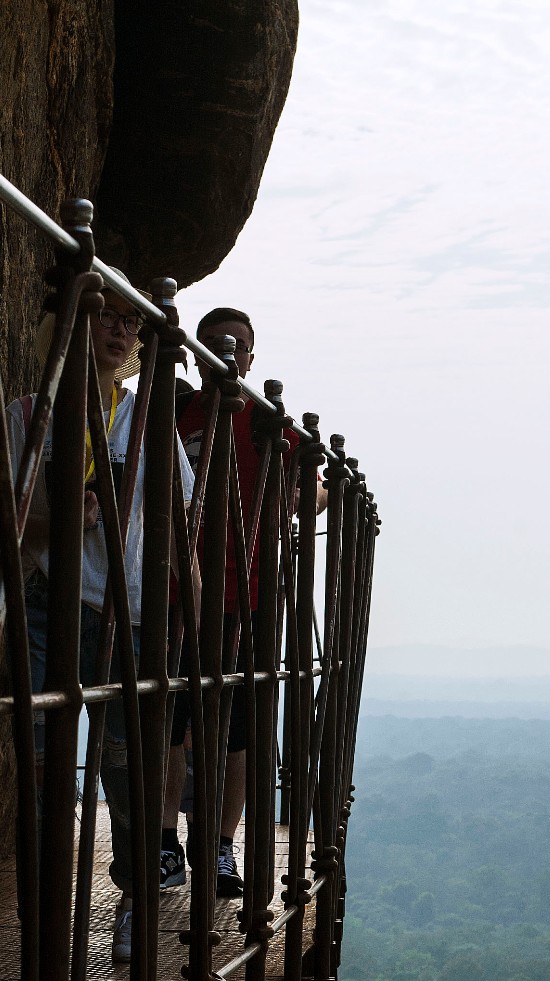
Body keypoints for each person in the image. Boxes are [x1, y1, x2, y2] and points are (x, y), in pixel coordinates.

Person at [12, 289, 196, 963]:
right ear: (69, 321)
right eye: (103, 314)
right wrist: (66, 519)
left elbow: (179, 529)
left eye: (129, 322)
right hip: (48, 604)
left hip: (135, 613)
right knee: (41, 768)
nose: (119, 331)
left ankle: (129, 904)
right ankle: (42, 918)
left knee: (125, 771)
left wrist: (188, 624)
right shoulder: (32, 415)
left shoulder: (147, 423)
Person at [170, 306, 326, 900]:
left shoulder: (265, 423)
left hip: (249, 596)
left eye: (236, 346)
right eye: (213, 345)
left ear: (252, 357)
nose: (225, 355)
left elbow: (311, 497)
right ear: (195, 351)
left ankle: (219, 846)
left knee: (236, 729)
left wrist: (293, 483)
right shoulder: (174, 412)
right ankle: (168, 840)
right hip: (179, 592)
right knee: (174, 722)